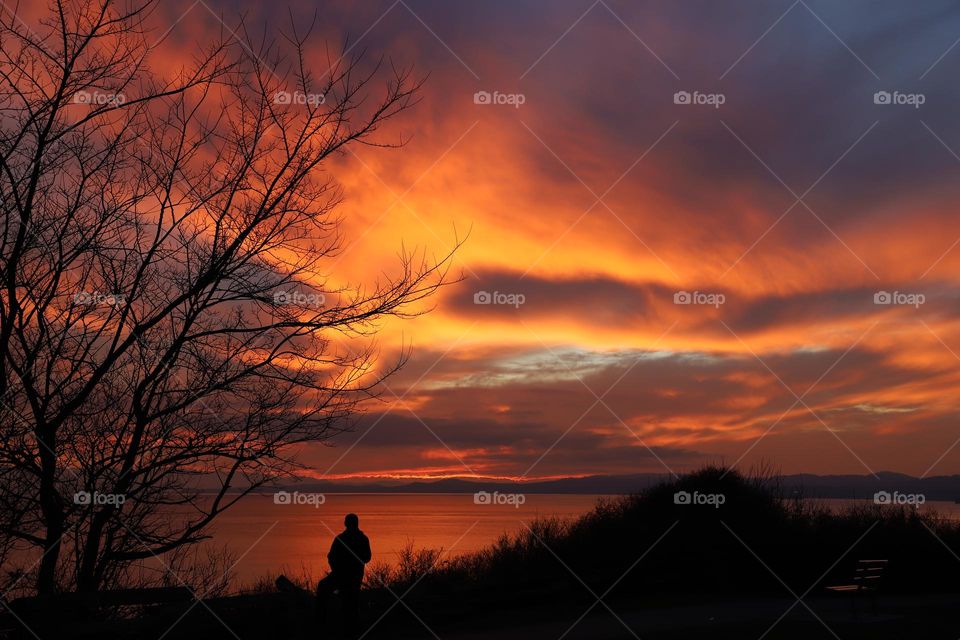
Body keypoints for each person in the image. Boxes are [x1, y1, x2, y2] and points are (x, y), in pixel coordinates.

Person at [316, 513, 371, 637]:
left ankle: (321, 621)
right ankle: (326, 620)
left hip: (347, 577)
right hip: (350, 576)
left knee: (324, 588)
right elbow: (367, 557)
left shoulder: (343, 538)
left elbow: (331, 557)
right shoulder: (361, 539)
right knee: (348, 600)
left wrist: (338, 569)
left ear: (346, 524)